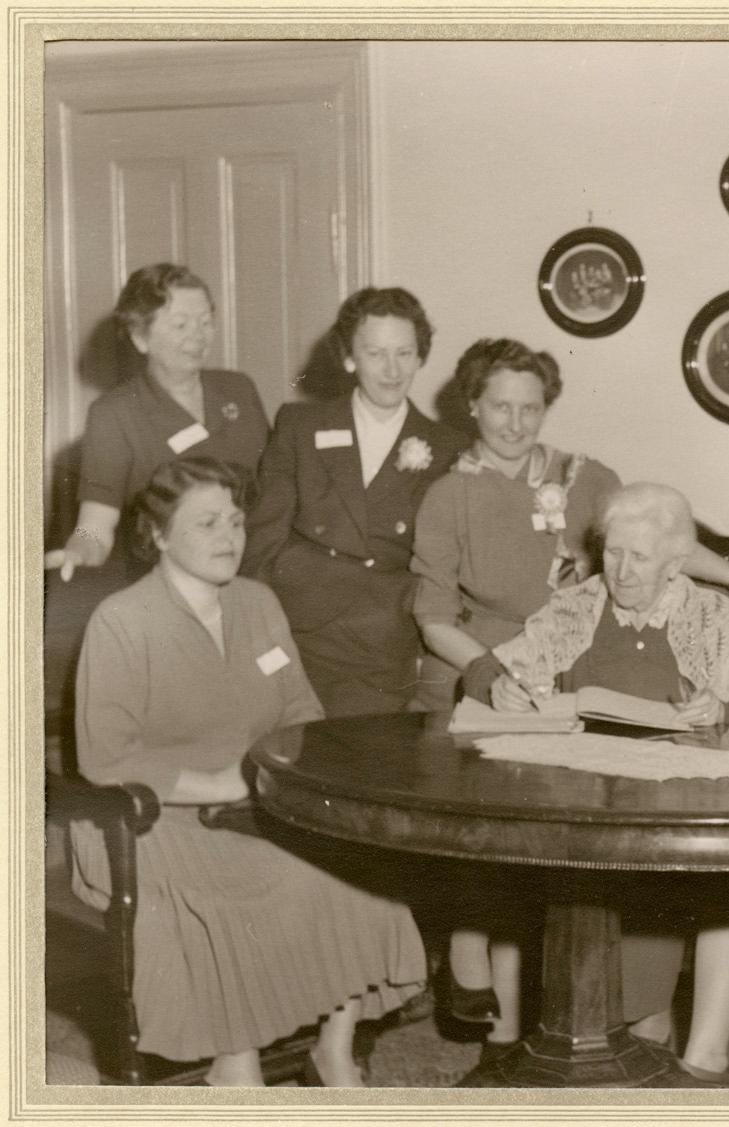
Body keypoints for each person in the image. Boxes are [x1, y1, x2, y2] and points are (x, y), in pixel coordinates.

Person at [409, 337, 729, 1052]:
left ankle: (561, 1018)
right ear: (472, 406)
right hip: (484, 654)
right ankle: (481, 973)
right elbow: (435, 618)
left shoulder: (582, 476)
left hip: (583, 647)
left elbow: (659, 540)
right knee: (481, 795)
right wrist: (493, 674)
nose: (515, 423)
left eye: (531, 408)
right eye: (500, 406)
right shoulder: (449, 493)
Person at [69, 456, 426, 1086]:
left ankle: (334, 1050)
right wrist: (222, 787)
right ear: (158, 535)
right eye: (206, 523)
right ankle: (236, 1065)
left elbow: (300, 710)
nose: (229, 537)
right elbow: (107, 758)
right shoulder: (123, 621)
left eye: (235, 521)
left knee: (365, 875)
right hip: (146, 821)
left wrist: (285, 781)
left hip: (256, 803)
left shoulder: (258, 603)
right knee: (244, 900)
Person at [470, 482, 729, 1086]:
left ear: (675, 563)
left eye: (640, 557)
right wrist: (499, 687)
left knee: (646, 900)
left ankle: (645, 1042)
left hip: (671, 810)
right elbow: (486, 668)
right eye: (614, 553)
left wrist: (720, 709)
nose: (621, 571)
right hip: (579, 799)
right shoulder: (578, 605)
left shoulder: (715, 617)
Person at [241, 286, 466, 717]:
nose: (392, 370)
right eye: (375, 353)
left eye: (404, 353)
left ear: (420, 357)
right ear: (349, 358)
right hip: (295, 628)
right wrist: (257, 631)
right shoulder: (300, 425)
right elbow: (263, 537)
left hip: (379, 641)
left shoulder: (447, 447)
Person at [46, 263, 270, 582]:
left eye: (206, 322)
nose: (198, 335)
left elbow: (274, 484)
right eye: (181, 324)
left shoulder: (238, 388)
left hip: (257, 564)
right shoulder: (113, 414)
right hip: (174, 578)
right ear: (140, 337)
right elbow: (94, 523)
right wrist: (79, 550)